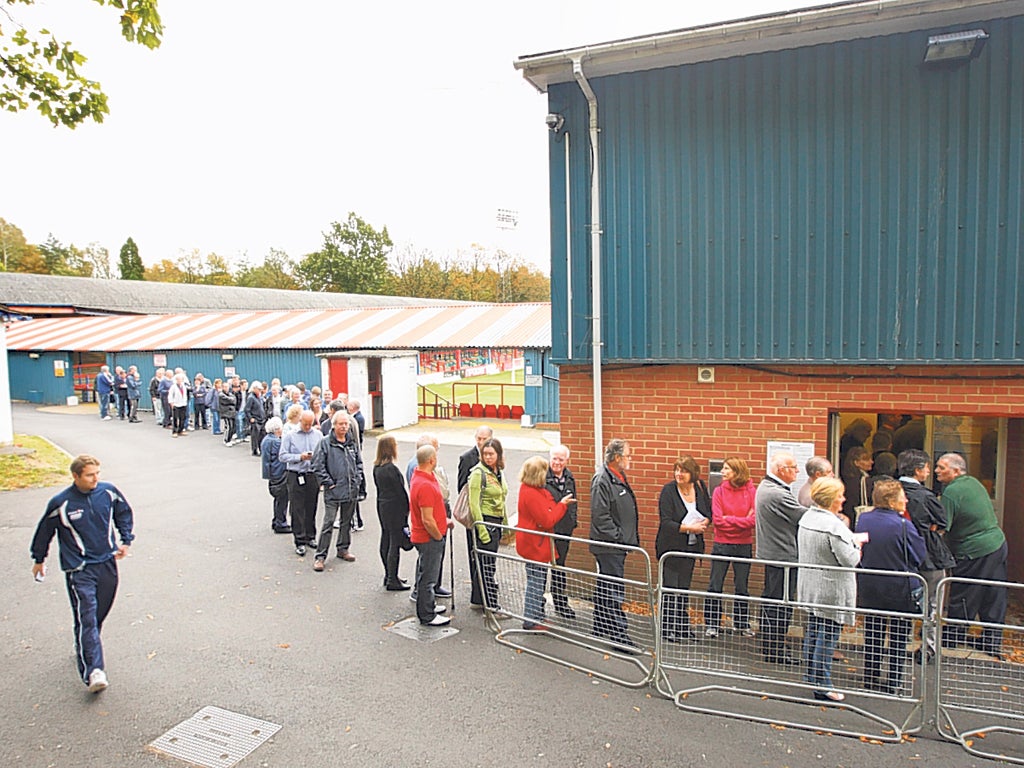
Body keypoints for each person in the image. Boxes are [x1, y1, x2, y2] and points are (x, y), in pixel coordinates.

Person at [29, 455, 134, 693]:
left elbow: (124, 513)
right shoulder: (61, 503)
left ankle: (85, 647)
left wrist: (126, 539)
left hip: (107, 563)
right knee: (87, 616)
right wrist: (39, 559)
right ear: (76, 476)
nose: (96, 478)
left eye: (98, 473)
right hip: (79, 569)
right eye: (89, 475)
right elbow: (44, 532)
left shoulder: (108, 492)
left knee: (96, 617)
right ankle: (94, 671)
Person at [856, 478, 926, 694]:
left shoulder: (863, 519)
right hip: (898, 586)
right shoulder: (903, 525)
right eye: (902, 496)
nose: (905, 499)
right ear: (891, 501)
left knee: (873, 631)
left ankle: (871, 675)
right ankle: (894, 680)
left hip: (870, 584)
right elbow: (918, 555)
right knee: (898, 635)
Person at [935, 452, 1008, 657]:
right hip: (997, 543)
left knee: (965, 592)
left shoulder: (952, 492)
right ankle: (991, 641)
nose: (937, 471)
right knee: (994, 594)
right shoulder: (973, 483)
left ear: (956, 471)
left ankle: (954, 637)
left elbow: (942, 526)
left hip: (973, 550)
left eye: (942, 468)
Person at [798, 477, 861, 702]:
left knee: (814, 632)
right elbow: (850, 560)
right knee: (827, 637)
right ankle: (823, 684)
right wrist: (856, 544)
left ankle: (811, 676)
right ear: (831, 498)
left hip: (811, 584)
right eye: (840, 495)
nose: (843, 499)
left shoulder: (807, 517)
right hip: (831, 589)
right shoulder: (833, 526)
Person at [898, 449, 955, 662]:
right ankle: (928, 648)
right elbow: (941, 523)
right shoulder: (927, 496)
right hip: (930, 557)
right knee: (932, 603)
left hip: (901, 555)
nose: (929, 471)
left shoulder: (891, 490)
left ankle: (898, 644)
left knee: (904, 603)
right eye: (927, 467)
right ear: (917, 470)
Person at [755, 451, 807, 665]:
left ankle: (771, 645)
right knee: (780, 604)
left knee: (772, 600)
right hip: (782, 556)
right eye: (793, 467)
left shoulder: (767, 488)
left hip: (774, 553)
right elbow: (804, 516)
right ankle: (775, 649)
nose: (797, 471)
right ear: (780, 470)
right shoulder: (777, 494)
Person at [590, 438, 641, 653]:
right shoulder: (603, 480)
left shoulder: (617, 477)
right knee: (614, 588)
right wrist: (619, 537)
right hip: (610, 545)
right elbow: (600, 516)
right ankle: (619, 635)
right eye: (628, 455)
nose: (630, 459)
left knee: (605, 584)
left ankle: (600, 625)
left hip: (617, 544)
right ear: (617, 457)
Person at [655, 455, 712, 642]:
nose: (679, 474)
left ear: (692, 473)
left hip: (692, 547)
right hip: (671, 547)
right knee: (671, 588)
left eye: (684, 471)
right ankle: (667, 627)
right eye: (677, 470)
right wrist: (689, 528)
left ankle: (682, 626)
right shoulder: (668, 491)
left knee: (684, 588)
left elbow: (708, 511)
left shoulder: (700, 487)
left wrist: (705, 521)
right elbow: (666, 522)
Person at [517, 456, 574, 631]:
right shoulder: (531, 493)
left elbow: (548, 503)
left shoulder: (532, 489)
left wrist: (554, 506)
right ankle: (531, 619)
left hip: (536, 543)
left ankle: (537, 616)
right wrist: (562, 506)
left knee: (538, 581)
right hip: (535, 545)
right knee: (536, 582)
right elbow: (548, 519)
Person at [704, 456, 757, 638]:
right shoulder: (719, 491)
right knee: (715, 585)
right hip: (722, 543)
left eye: (727, 469)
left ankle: (741, 623)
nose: (722, 472)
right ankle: (712, 624)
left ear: (737, 471)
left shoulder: (751, 491)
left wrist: (730, 519)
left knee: (742, 586)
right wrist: (740, 520)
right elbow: (718, 520)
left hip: (743, 545)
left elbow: (753, 521)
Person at [311, 410, 363, 570]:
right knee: (328, 523)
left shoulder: (351, 442)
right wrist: (328, 483)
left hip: (350, 490)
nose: (344, 427)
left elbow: (359, 463)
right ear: (334, 425)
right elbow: (317, 465)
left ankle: (343, 549)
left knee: (346, 522)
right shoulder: (325, 443)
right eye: (341, 424)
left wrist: (357, 479)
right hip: (333, 492)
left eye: (346, 424)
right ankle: (320, 557)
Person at [409, 445, 452, 626]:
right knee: (428, 578)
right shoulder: (425, 484)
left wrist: (444, 521)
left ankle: (429, 606)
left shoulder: (421, 476)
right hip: (428, 538)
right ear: (431, 460)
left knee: (425, 574)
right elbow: (427, 519)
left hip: (426, 536)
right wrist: (438, 536)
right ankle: (427, 615)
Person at [467, 438, 509, 610]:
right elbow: (474, 503)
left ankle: (478, 600)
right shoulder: (478, 473)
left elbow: (501, 497)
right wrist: (482, 530)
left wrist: (505, 524)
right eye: (485, 454)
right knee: (487, 566)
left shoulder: (497, 471)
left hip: (496, 522)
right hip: (486, 522)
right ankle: (491, 605)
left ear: (498, 455)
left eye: (491, 454)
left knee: (485, 564)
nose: (488, 457)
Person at [280, 410, 323, 555]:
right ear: (300, 421)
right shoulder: (290, 435)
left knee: (312, 506)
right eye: (305, 424)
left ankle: (311, 536)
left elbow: (323, 453)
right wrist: (300, 457)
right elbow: (283, 456)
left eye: (310, 424)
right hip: (295, 473)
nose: (307, 427)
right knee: (297, 508)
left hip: (312, 474)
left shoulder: (317, 435)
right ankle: (299, 539)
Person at [459, 425, 493, 606]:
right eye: (478, 438)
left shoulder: (494, 456)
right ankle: (478, 594)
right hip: (474, 516)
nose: (480, 442)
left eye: (484, 439)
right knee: (475, 554)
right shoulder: (467, 458)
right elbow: (462, 489)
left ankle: (486, 589)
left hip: (490, 516)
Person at [545, 444, 578, 619]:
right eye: (554, 458)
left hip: (564, 530)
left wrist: (572, 522)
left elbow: (574, 501)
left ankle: (560, 604)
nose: (557, 462)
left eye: (561, 459)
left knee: (559, 568)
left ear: (567, 461)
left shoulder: (569, 477)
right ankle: (538, 605)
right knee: (542, 569)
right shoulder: (543, 478)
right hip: (548, 530)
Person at [373, 435, 410, 590]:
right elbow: (400, 492)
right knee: (394, 543)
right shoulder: (392, 469)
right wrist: (406, 511)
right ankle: (392, 579)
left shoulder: (377, 467)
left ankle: (389, 574)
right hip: (395, 509)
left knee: (386, 538)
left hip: (382, 506)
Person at [261, 417, 290, 534]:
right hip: (279, 473)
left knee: (278, 499)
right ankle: (280, 523)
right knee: (282, 499)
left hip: (272, 474)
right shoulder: (277, 442)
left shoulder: (267, 440)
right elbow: (281, 459)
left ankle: (277, 520)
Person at [840, 447, 873, 529]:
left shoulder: (843, 478)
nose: (871, 462)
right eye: (866, 459)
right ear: (856, 463)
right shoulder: (865, 481)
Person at [245, 381, 267, 457]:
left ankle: (261, 450)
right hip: (256, 420)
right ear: (254, 389)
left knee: (262, 436)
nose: (260, 391)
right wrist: (251, 418)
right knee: (255, 436)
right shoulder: (251, 398)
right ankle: (254, 450)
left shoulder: (260, 397)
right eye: (259, 389)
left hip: (262, 419)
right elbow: (247, 409)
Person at [167, 372, 190, 437]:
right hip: (176, 404)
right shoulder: (173, 387)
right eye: (178, 379)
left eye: (181, 379)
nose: (180, 381)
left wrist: (185, 402)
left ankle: (181, 430)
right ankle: (174, 431)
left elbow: (185, 395)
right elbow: (170, 395)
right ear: (176, 380)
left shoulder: (184, 386)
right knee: (175, 418)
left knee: (183, 418)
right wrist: (171, 403)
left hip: (183, 404)